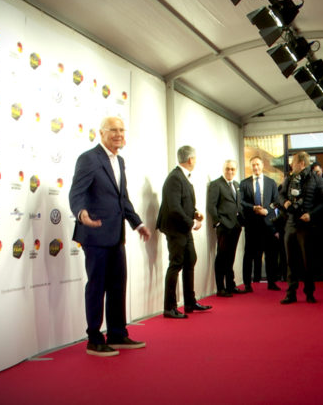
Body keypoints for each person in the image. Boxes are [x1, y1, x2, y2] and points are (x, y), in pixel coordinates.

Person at [68, 116, 151, 357]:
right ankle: (94, 338)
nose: (119, 134)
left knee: (117, 285)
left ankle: (117, 334)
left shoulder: (120, 160)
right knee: (97, 286)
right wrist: (81, 213)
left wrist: (137, 224)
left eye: (122, 130)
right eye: (113, 130)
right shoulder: (88, 158)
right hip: (94, 233)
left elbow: (122, 198)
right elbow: (77, 192)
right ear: (101, 133)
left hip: (116, 235)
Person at [157, 145, 212, 319]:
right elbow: (174, 208)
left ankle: (189, 302)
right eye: (195, 159)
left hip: (183, 227)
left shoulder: (183, 177)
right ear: (190, 160)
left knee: (190, 260)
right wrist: (191, 223)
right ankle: (169, 307)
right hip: (175, 229)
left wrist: (195, 212)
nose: (195, 161)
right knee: (176, 264)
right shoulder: (175, 178)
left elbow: (183, 204)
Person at [278, 151, 323, 304]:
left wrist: (311, 214)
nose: (291, 165)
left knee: (308, 261)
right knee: (290, 261)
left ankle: (309, 292)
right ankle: (291, 292)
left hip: (307, 226)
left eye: (293, 163)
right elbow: (280, 195)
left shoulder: (316, 179)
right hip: (291, 224)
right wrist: (284, 202)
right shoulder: (289, 178)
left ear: (301, 163)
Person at [239, 156, 281, 292]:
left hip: (268, 224)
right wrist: (253, 208)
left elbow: (276, 201)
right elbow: (241, 202)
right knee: (249, 255)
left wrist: (266, 210)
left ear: (262, 165)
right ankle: (247, 284)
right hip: (252, 225)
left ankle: (272, 282)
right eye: (253, 165)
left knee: (271, 255)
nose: (255, 167)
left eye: (257, 164)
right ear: (250, 167)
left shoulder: (271, 182)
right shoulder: (244, 184)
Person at [207, 160, 243, 297]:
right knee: (221, 257)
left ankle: (230, 285)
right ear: (223, 169)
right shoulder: (216, 184)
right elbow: (212, 206)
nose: (230, 172)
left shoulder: (236, 185)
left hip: (235, 226)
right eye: (227, 169)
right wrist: (218, 223)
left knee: (231, 257)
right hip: (224, 226)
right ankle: (220, 288)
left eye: (233, 169)